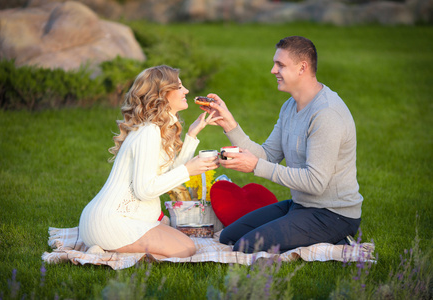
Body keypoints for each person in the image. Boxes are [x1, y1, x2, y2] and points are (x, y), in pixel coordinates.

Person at [200, 36, 363, 253]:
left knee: (246, 246)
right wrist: (229, 124)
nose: (273, 70)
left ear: (302, 68)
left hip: (333, 214)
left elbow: (316, 182)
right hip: (301, 206)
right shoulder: (290, 106)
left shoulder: (327, 113)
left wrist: (256, 166)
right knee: (229, 237)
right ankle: (299, 230)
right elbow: (268, 155)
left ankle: (338, 239)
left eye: (280, 65)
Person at [79, 65, 221, 258]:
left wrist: (192, 135)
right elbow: (145, 190)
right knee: (185, 250)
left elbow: (170, 179)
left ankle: (106, 245)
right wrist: (188, 170)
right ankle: (105, 248)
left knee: (187, 244)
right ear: (162, 94)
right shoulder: (149, 132)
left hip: (129, 218)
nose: (186, 90)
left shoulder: (155, 128)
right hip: (110, 221)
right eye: (179, 87)